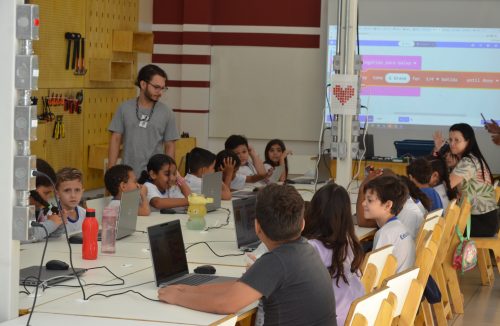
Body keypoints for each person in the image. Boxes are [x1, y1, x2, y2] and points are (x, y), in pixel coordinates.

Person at [158, 184, 337, 325]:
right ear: (302, 224)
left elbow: (226, 303)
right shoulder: (305, 250)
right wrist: (192, 290)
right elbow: (241, 286)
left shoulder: (277, 261)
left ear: (257, 227)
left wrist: (178, 297)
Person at [302, 183, 365, 326]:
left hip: (334, 319)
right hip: (357, 315)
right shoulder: (348, 241)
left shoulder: (312, 247)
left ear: (313, 211)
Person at [108, 64, 179, 176]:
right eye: (156, 87)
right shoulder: (124, 108)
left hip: (154, 177)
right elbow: (115, 139)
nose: (160, 92)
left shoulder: (167, 113)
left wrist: (169, 174)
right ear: (143, 84)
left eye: (163, 88)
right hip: (128, 176)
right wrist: (111, 170)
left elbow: (170, 146)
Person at [447, 123, 498, 237]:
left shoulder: (467, 161)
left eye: (457, 140)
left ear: (468, 142)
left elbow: (447, 184)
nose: (452, 144)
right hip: (486, 219)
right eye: (450, 140)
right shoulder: (473, 158)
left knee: (444, 230)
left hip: (481, 222)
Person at [362, 175, 416, 272]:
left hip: (391, 286)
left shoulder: (385, 234)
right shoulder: (399, 226)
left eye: (369, 200)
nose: (363, 203)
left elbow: (372, 274)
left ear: (387, 205)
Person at [29, 168, 87, 241]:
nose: (73, 195)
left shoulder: (85, 213)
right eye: (67, 190)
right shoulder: (48, 214)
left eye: (77, 190)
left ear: (82, 191)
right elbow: (41, 240)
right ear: (57, 193)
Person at [27, 159, 58, 242]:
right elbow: (25, 236)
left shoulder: (37, 209)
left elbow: (48, 236)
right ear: (31, 188)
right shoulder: (12, 210)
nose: (47, 199)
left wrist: (59, 223)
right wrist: (52, 224)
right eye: (46, 193)